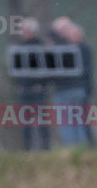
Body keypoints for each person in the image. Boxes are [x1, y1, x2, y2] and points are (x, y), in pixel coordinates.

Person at [49, 17, 92, 146]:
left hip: (71, 89)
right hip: (71, 89)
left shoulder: (71, 49)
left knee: (72, 121)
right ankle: (77, 148)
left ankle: (76, 148)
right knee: (74, 121)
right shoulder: (64, 47)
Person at [15, 17, 50, 151]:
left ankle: (46, 148)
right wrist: (19, 84)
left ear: (34, 31)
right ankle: (26, 149)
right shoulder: (19, 48)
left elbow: (48, 69)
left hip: (38, 91)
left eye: (27, 30)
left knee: (42, 121)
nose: (24, 33)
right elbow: (16, 70)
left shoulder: (41, 46)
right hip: (24, 90)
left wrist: (40, 83)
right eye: (23, 30)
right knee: (25, 123)